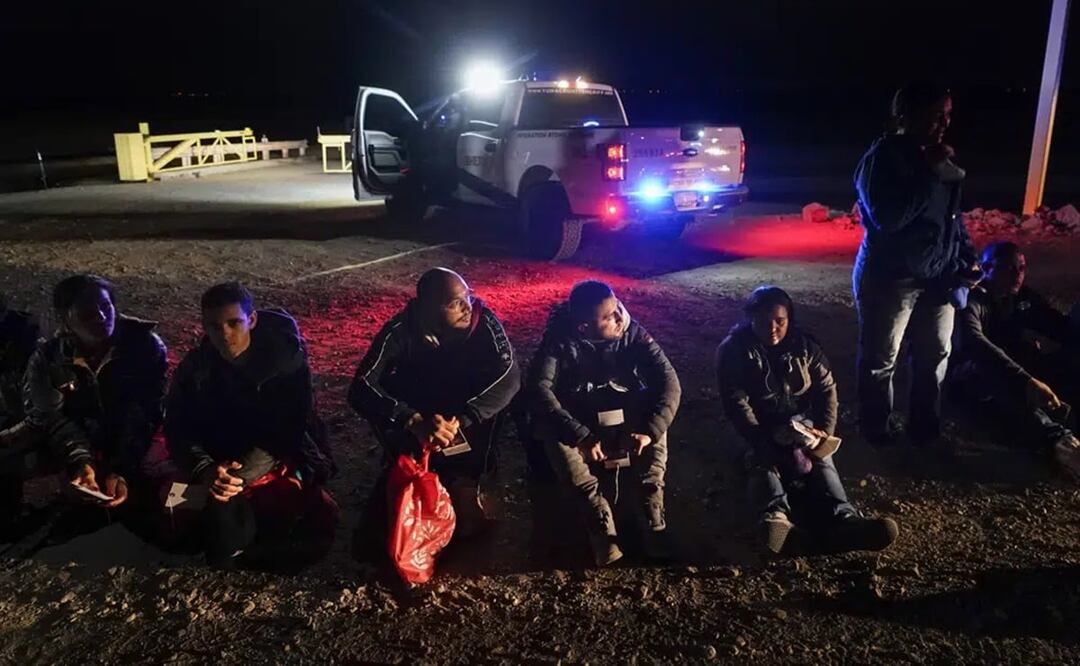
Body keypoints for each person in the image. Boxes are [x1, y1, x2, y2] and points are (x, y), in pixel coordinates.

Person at [166, 282, 337, 569]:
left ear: (252, 320)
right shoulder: (196, 367)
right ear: (204, 326)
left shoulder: (285, 362)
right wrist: (205, 468)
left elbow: (288, 429)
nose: (225, 334)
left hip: (274, 455)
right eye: (214, 326)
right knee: (178, 514)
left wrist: (237, 477)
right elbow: (177, 424)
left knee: (299, 529)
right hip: (220, 459)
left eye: (234, 323)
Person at [716, 286, 898, 555]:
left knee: (819, 455)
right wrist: (761, 437)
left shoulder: (804, 347)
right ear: (751, 318)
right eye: (764, 320)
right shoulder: (734, 350)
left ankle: (843, 518)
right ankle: (775, 518)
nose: (773, 328)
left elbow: (826, 390)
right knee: (762, 458)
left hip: (796, 421)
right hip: (754, 424)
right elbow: (736, 403)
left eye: (780, 321)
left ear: (789, 319)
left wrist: (822, 431)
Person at [349, 268, 520, 540]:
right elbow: (361, 386)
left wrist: (460, 420)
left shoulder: (483, 322)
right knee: (384, 529)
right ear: (427, 309)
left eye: (468, 296)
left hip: (461, 413)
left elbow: (509, 377)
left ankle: (474, 480)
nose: (467, 307)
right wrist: (412, 420)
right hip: (422, 413)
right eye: (455, 303)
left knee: (498, 397)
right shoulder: (401, 330)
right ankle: (403, 469)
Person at [853, 84, 979, 448]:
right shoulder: (882, 159)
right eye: (936, 115)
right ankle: (877, 430)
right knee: (881, 359)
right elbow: (889, 218)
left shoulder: (938, 160)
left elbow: (951, 218)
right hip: (890, 277)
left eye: (948, 115)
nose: (944, 123)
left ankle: (925, 428)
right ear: (905, 116)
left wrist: (967, 256)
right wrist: (929, 171)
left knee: (935, 355)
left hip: (939, 275)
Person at [528, 280, 681, 566]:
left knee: (656, 416)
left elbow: (669, 383)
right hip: (581, 415)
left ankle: (652, 509)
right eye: (609, 316)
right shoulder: (559, 341)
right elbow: (539, 390)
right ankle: (598, 519)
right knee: (549, 428)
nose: (620, 317)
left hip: (624, 409)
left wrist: (650, 431)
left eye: (618, 307)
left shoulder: (633, 332)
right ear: (583, 327)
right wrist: (579, 435)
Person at [2, 275, 167, 538]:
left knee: (163, 487)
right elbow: (51, 418)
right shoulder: (49, 357)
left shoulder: (144, 345)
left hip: (132, 438)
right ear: (66, 319)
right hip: (79, 437)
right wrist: (81, 460)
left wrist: (121, 468)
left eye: (105, 306)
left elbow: (144, 413)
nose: (100, 317)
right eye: (87, 313)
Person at [953, 241, 1080, 480]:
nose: (1018, 275)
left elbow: (1057, 326)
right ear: (987, 268)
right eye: (1009, 268)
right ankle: (1063, 445)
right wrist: (1027, 382)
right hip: (977, 382)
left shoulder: (1022, 298)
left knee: (1063, 362)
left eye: (1021, 268)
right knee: (999, 381)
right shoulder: (974, 300)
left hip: (1016, 371)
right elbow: (977, 346)